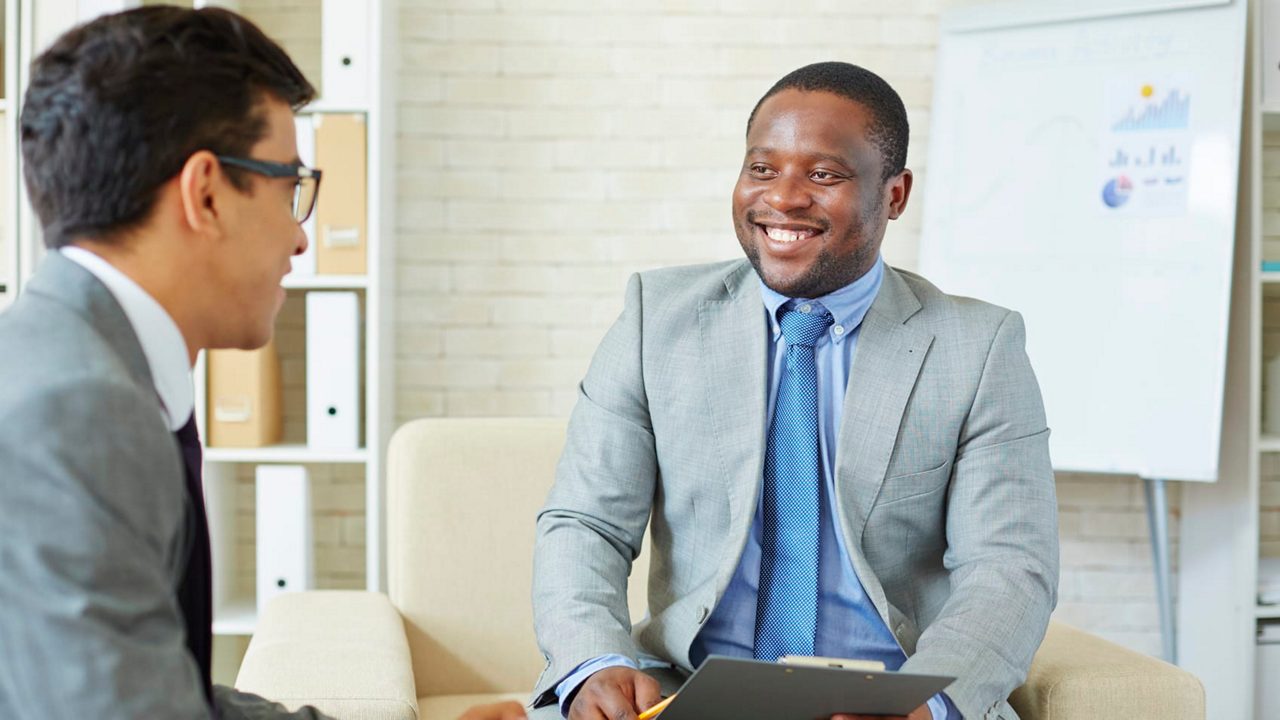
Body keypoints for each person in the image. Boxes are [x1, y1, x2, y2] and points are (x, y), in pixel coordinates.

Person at [0, 9, 526, 720]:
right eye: (291, 188)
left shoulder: (74, 365)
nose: (300, 238)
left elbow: (159, 693)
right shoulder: (77, 414)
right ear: (207, 192)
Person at [530, 62, 1059, 720]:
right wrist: (596, 662)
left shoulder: (978, 348)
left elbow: (1007, 566)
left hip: (891, 696)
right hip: (686, 690)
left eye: (823, 174)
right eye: (761, 168)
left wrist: (927, 706)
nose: (782, 198)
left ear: (894, 195)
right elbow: (585, 523)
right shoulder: (654, 320)